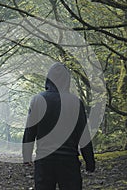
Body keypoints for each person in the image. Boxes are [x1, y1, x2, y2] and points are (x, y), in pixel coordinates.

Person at [22, 62, 95, 190]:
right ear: (67, 81)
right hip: (69, 161)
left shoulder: (38, 100)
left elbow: (30, 130)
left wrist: (26, 155)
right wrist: (90, 161)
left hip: (44, 160)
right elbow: (83, 135)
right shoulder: (75, 102)